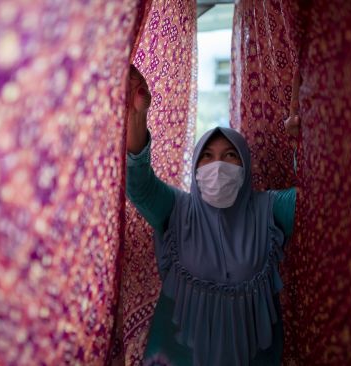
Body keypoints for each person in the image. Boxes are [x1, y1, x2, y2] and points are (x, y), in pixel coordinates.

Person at [125, 65, 299, 366]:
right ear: (195, 170)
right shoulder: (177, 209)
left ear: (245, 168)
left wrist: (303, 140)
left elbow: (319, 199)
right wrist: (136, 114)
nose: (217, 166)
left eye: (230, 156)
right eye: (206, 157)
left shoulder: (269, 210)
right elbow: (139, 187)